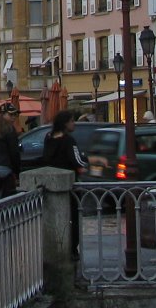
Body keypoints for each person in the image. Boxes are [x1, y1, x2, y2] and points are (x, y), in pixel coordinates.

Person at [43, 109, 88, 259]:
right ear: (65, 123)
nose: (74, 123)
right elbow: (77, 162)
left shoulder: (48, 137)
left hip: (50, 183)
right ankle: (72, 249)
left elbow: (45, 158)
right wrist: (88, 164)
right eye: (72, 121)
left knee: (53, 218)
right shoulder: (69, 140)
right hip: (70, 184)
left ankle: (55, 246)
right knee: (73, 218)